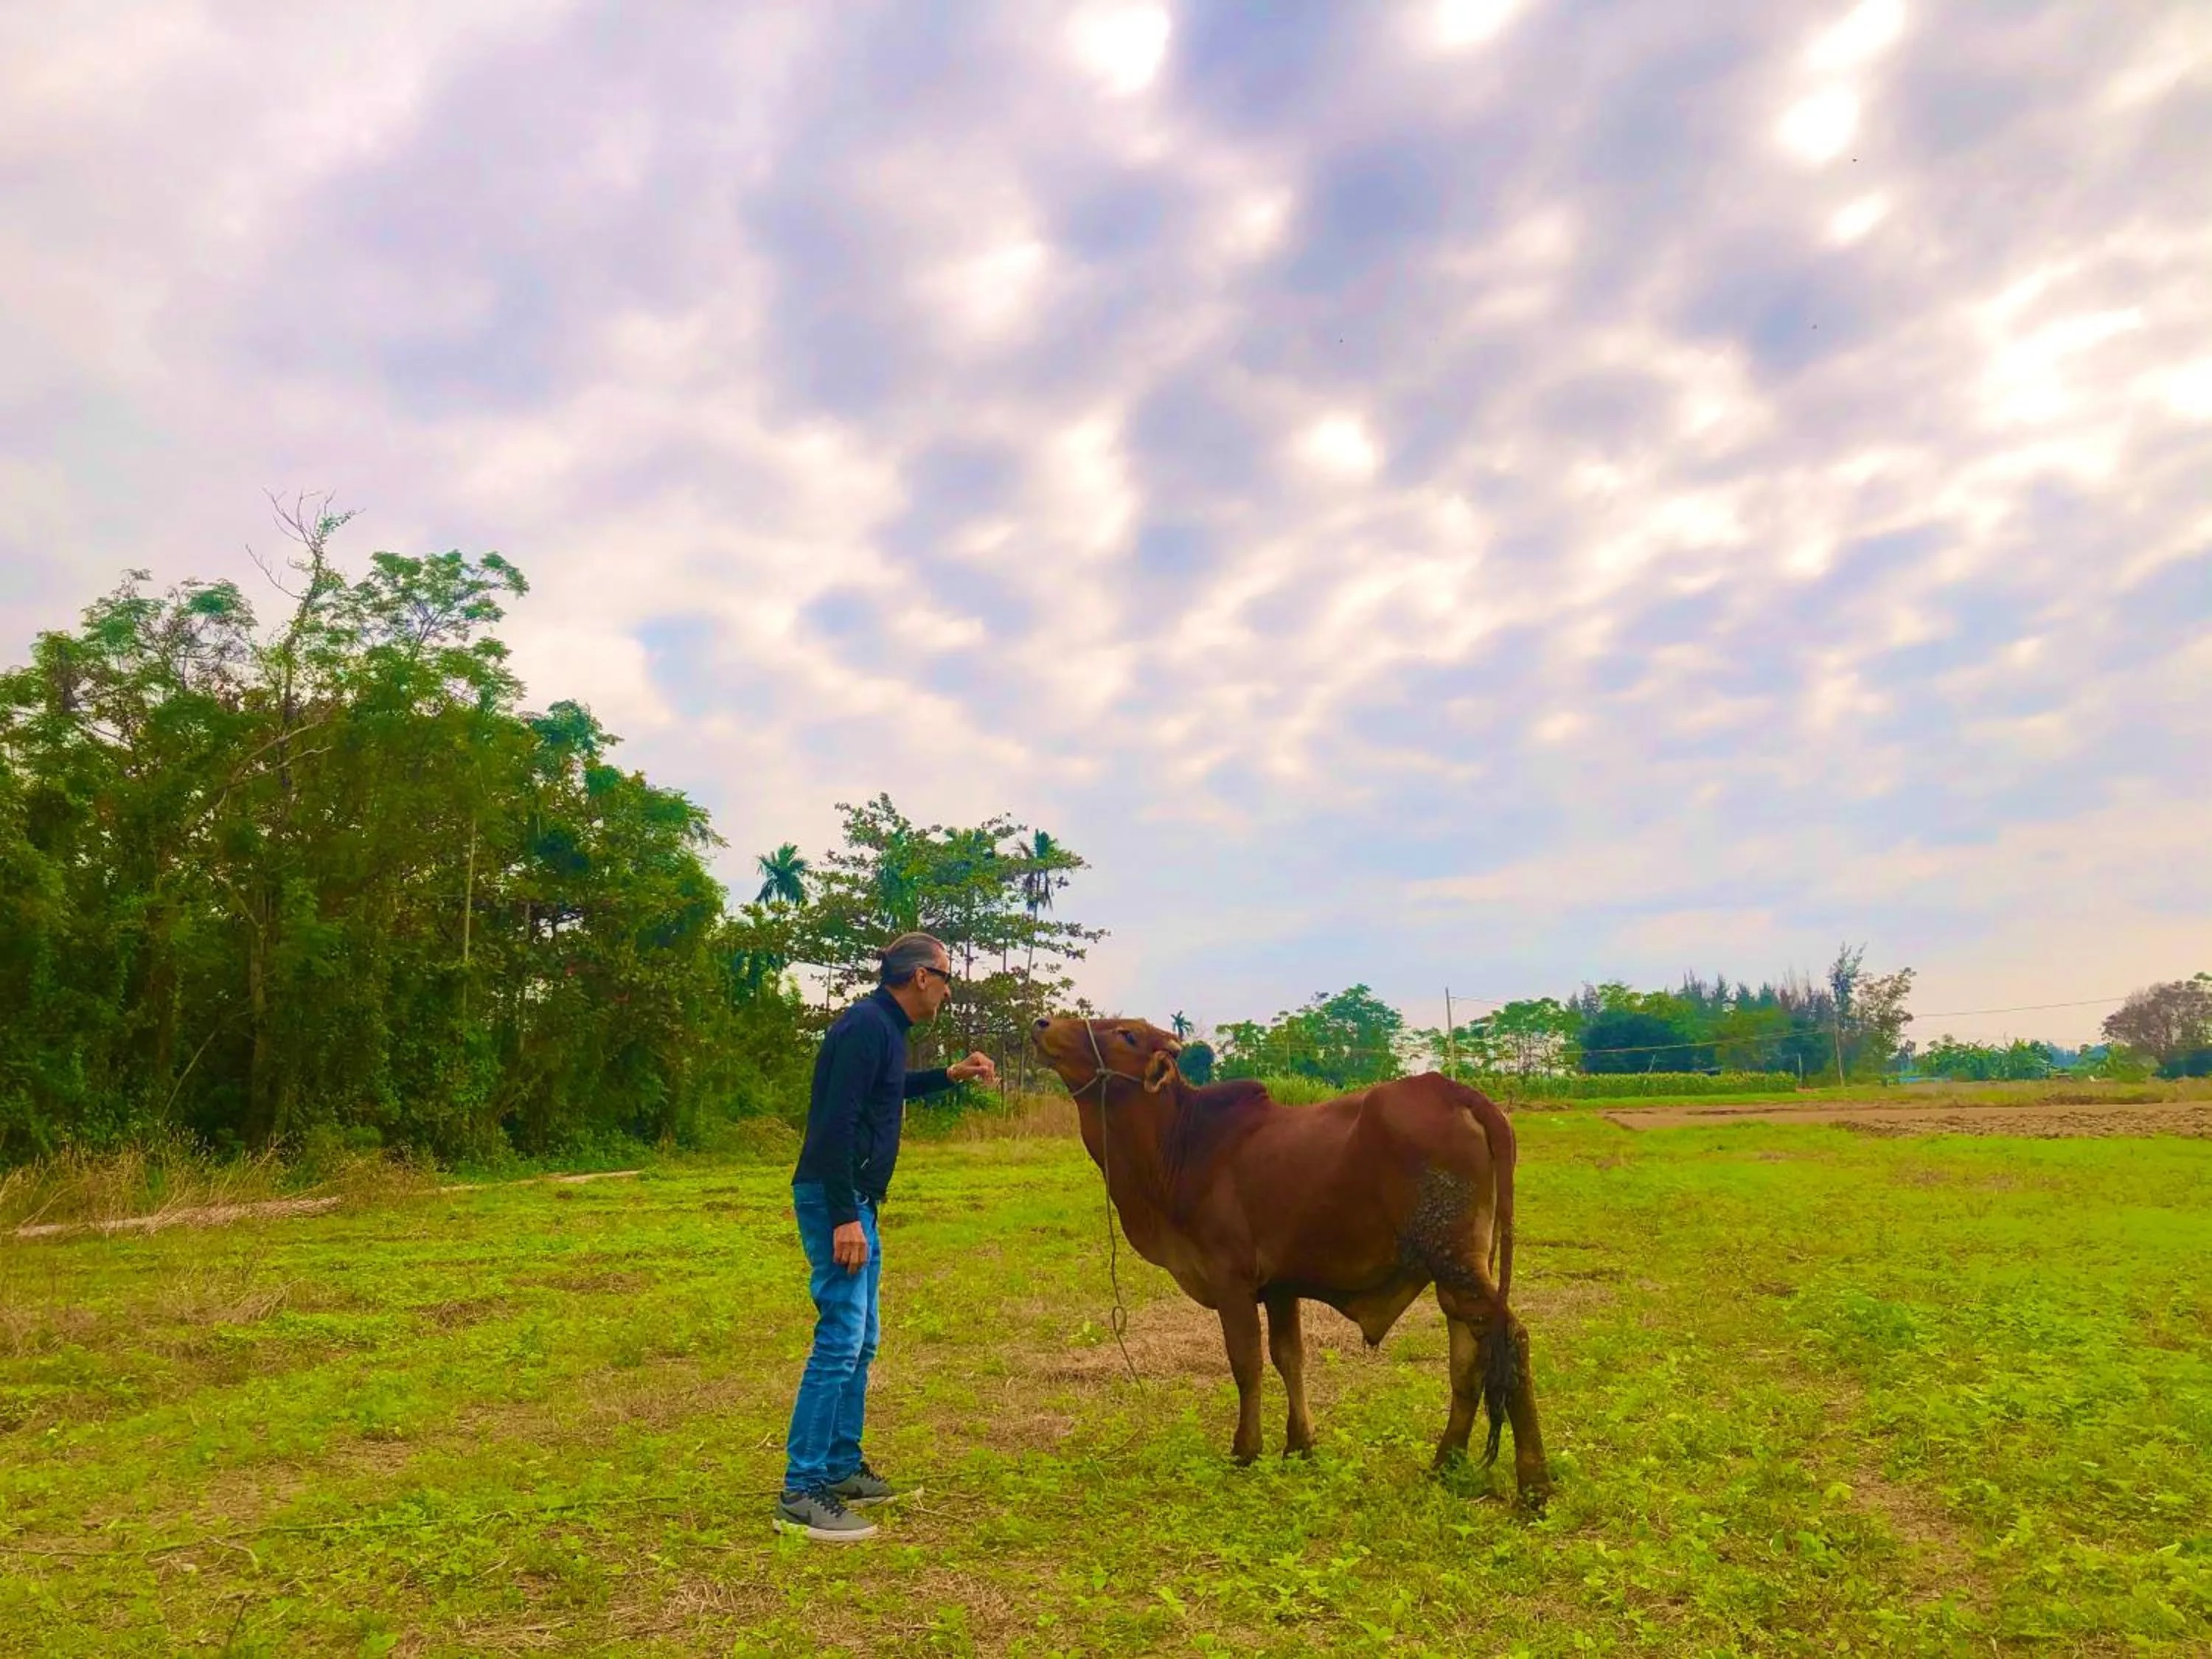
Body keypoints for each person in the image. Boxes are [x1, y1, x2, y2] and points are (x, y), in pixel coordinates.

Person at [775, 931, 998, 1541]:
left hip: (856, 1200)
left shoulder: (884, 1030)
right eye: (947, 978)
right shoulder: (866, 1027)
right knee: (840, 1339)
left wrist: (949, 1075)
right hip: (836, 1199)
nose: (950, 991)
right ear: (920, 976)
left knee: (861, 1339)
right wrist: (846, 1215)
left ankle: (842, 1468)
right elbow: (833, 1124)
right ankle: (801, 1491)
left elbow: (886, 1091)